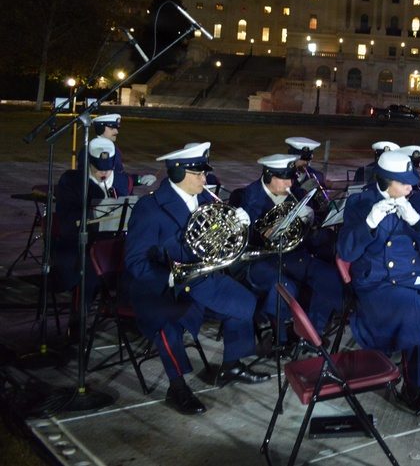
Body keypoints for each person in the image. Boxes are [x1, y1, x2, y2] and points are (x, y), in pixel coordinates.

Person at [125, 142, 270, 416]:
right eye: (198, 174)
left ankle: (231, 365)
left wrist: (237, 225)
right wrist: (168, 278)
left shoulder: (205, 201)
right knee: (169, 324)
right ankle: (177, 387)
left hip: (202, 278)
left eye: (204, 173)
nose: (206, 179)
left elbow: (216, 244)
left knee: (243, 302)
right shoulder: (150, 207)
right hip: (163, 287)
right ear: (178, 173)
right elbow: (135, 261)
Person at [338, 151, 420, 412]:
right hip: (377, 283)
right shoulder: (359, 204)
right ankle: (411, 384)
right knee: (416, 309)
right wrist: (370, 222)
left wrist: (415, 220)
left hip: (410, 276)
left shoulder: (413, 201)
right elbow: (347, 252)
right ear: (384, 181)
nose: (410, 186)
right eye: (403, 182)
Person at [228, 154, 344, 345]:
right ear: (268, 177)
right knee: (284, 287)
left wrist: (309, 223)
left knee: (330, 278)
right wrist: (263, 232)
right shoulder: (244, 196)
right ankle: (279, 337)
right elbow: (238, 239)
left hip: (294, 256)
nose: (291, 183)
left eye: (292, 177)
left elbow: (309, 236)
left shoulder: (296, 194)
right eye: (285, 178)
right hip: (259, 260)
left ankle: (311, 334)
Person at [54, 137, 137, 337]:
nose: (104, 174)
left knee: (138, 261)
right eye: (99, 169)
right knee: (89, 270)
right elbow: (65, 222)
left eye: (108, 169)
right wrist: (93, 213)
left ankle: (130, 314)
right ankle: (77, 322)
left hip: (113, 241)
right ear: (89, 163)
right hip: (81, 243)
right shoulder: (72, 182)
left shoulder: (122, 180)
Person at [76, 114, 157, 187]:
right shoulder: (89, 150)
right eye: (112, 128)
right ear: (101, 128)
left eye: (116, 128)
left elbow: (119, 177)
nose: (116, 131)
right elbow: (83, 179)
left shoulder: (115, 149)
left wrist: (140, 179)